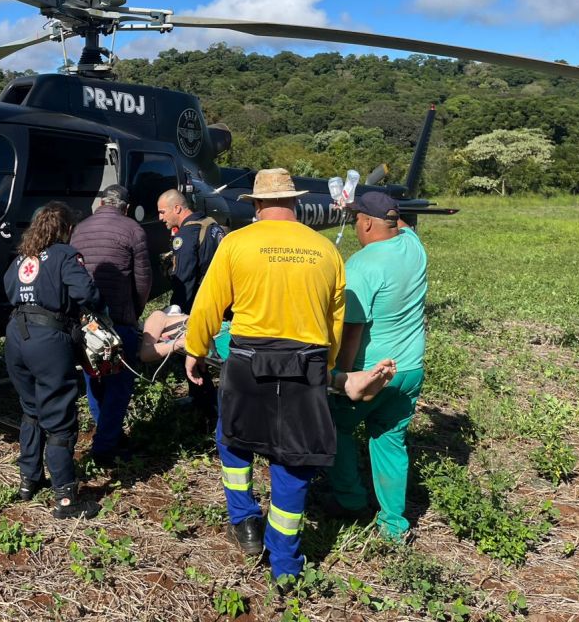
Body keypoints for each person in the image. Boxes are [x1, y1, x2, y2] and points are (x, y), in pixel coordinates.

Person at [183, 168, 397, 582]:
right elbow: (335, 319)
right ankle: (285, 566)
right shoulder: (325, 251)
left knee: (232, 440)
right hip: (307, 363)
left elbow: (208, 303)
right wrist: (329, 367)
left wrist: (195, 349)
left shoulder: (236, 243)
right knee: (294, 460)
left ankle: (245, 521)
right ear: (295, 203)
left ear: (258, 205)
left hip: (248, 361)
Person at [326, 192, 428, 542]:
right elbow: (398, 222)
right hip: (410, 369)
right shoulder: (414, 245)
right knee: (390, 439)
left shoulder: (362, 266)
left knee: (335, 429)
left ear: (367, 223)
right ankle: (393, 525)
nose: (355, 225)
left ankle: (351, 501)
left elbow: (352, 330)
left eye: (356, 218)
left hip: (371, 373)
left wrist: (340, 377)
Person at [4, 201, 103, 519]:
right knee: (60, 417)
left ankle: (28, 481)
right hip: (47, 339)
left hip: (16, 336)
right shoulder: (64, 255)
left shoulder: (23, 257)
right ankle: (65, 499)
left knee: (31, 410)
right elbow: (86, 293)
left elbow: (8, 289)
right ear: (67, 229)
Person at [69, 184, 152, 463]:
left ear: (101, 203)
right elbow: (142, 280)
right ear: (125, 208)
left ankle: (106, 430)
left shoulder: (79, 229)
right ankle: (105, 447)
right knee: (119, 385)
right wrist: (134, 313)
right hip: (118, 320)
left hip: (86, 322)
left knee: (94, 376)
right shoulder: (133, 230)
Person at [156, 189, 225, 313]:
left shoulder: (186, 235)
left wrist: (176, 311)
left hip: (201, 304)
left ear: (177, 208)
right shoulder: (211, 224)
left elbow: (185, 279)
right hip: (221, 298)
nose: (160, 217)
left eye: (162, 212)